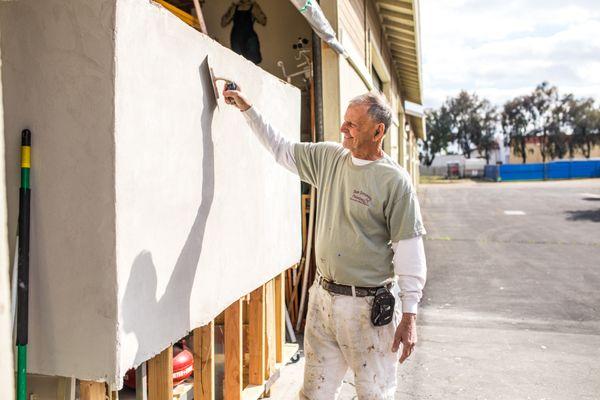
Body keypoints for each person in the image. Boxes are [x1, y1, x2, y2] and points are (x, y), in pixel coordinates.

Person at [223, 86, 427, 399]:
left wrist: (410, 317)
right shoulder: (330, 158)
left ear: (378, 131)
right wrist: (247, 108)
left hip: (369, 310)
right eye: (345, 121)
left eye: (353, 124)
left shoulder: (395, 182)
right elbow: (281, 149)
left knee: (374, 394)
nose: (343, 128)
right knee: (313, 394)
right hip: (323, 301)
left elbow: (409, 253)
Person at [221, 0, 266, 65]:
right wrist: (230, 11)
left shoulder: (253, 6)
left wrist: (257, 11)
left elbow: (263, 21)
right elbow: (223, 23)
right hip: (236, 39)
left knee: (252, 64)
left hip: (249, 39)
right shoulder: (234, 7)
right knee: (238, 63)